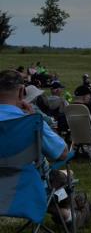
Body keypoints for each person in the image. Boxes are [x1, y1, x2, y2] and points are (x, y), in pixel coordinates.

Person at [0, 70, 79, 226]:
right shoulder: (31, 122)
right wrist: (33, 118)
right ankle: (70, 215)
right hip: (26, 186)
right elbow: (63, 154)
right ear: (21, 92)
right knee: (63, 177)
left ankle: (67, 214)